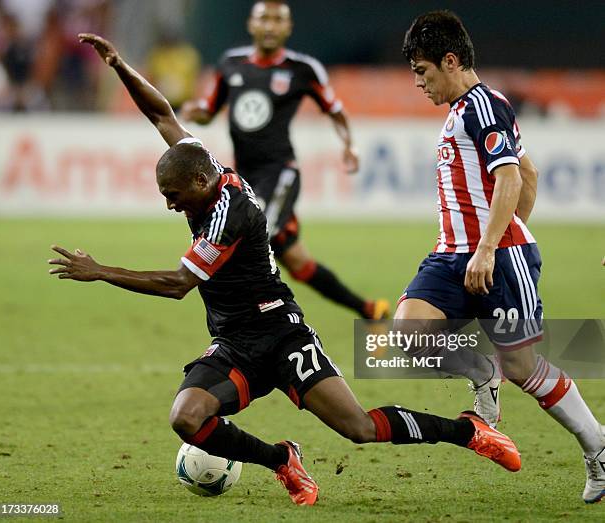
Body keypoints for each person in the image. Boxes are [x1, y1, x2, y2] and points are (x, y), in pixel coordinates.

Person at [49, 32, 523, 507]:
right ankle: (282, 459)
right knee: (187, 418)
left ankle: (468, 432)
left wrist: (100, 271)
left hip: (281, 333)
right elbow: (161, 115)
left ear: (197, 183)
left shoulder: (229, 215)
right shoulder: (203, 168)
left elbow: (178, 285)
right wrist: (119, 65)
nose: (171, 206)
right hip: (236, 342)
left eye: (172, 196)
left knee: (358, 427)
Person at [398, 10, 604, 503]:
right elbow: (528, 172)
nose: (420, 85)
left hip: (496, 257)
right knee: (407, 335)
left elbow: (512, 177)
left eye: (423, 73)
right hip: (451, 255)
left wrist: (496, 244)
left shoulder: (483, 106)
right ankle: (480, 373)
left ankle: (597, 447)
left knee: (524, 367)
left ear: (451, 61)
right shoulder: (460, 111)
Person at [180, 0, 389, 321]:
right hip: (244, 177)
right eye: (264, 19)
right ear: (251, 24)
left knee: (253, 233)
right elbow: (210, 110)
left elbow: (335, 111)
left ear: (288, 28)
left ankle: (271, 320)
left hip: (280, 172)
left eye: (278, 20)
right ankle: (367, 309)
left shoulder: (302, 69)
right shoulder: (231, 64)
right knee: (296, 260)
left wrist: (350, 146)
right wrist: (197, 112)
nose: (270, 26)